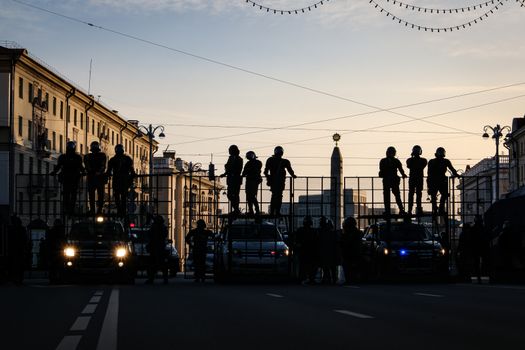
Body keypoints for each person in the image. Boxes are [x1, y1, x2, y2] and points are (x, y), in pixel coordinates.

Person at [50, 141, 85, 216]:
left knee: (67, 194)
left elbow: (58, 166)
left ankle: (68, 209)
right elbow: (80, 167)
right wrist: (84, 172)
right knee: (72, 195)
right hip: (72, 178)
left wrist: (54, 172)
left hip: (68, 178)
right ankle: (70, 209)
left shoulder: (63, 157)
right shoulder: (77, 157)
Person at [264, 146, 297, 216]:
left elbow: (266, 172)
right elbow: (290, 170)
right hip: (280, 182)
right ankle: (276, 211)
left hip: (275, 181)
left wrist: (268, 178)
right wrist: (293, 175)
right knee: (278, 197)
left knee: (274, 196)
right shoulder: (285, 161)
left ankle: (273, 212)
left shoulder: (270, 160)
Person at [427, 147, 459, 216]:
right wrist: (457, 175)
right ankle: (439, 208)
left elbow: (429, 173)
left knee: (435, 195)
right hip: (440, 180)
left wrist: (429, 185)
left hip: (435, 181)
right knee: (442, 194)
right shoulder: (445, 161)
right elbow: (452, 169)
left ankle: (436, 208)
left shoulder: (432, 161)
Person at [106, 144, 135, 217]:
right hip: (123, 180)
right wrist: (132, 177)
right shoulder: (126, 159)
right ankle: (122, 210)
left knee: (119, 196)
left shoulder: (114, 159)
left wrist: (106, 175)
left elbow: (109, 171)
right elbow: (132, 170)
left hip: (119, 180)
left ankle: (120, 210)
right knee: (122, 196)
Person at [379, 146, 407, 215]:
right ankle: (400, 209)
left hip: (390, 180)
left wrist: (403, 174)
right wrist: (403, 174)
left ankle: (394, 210)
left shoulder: (384, 160)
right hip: (391, 180)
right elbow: (400, 169)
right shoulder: (394, 161)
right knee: (395, 196)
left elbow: (400, 169)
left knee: (391, 196)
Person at [84, 141, 107, 214]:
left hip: (95, 177)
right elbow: (87, 166)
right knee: (96, 195)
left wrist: (94, 172)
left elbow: (103, 166)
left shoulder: (88, 156)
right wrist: (97, 172)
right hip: (96, 177)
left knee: (97, 195)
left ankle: (97, 209)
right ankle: (96, 209)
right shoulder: (89, 156)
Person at [294, 216, 319, 284]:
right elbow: (316, 241)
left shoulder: (300, 230)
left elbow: (297, 241)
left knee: (303, 265)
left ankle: (301, 278)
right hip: (311, 251)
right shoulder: (314, 231)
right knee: (311, 265)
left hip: (304, 251)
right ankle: (311, 278)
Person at [146, 215, 169, 284]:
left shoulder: (156, 227)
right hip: (159, 247)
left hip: (156, 247)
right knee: (161, 264)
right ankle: (164, 279)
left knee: (154, 264)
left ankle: (152, 279)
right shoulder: (162, 227)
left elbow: (150, 235)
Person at [7, 215, 29, 285]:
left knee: (15, 265)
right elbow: (25, 240)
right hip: (20, 250)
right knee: (20, 265)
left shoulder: (11, 229)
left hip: (14, 250)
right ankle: (19, 279)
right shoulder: (22, 229)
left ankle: (15, 279)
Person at [221, 145, 243, 215]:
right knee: (230, 195)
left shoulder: (239, 159)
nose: (229, 152)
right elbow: (228, 168)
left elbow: (237, 169)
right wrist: (225, 174)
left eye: (230, 150)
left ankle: (236, 209)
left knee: (235, 195)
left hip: (236, 179)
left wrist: (229, 170)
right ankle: (236, 209)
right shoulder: (230, 158)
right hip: (230, 179)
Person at [406, 145, 427, 216]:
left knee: (412, 194)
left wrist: (412, 157)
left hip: (413, 178)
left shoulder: (410, 160)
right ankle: (418, 209)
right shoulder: (423, 160)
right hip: (418, 179)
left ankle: (410, 210)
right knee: (418, 194)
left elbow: (409, 166)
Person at [341, 217, 363, 284]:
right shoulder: (358, 233)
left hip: (350, 254)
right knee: (353, 267)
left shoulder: (349, 234)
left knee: (348, 267)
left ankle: (350, 279)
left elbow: (346, 244)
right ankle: (354, 279)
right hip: (355, 253)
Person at [318, 216, 338, 285]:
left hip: (325, 251)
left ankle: (328, 279)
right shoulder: (333, 233)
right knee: (331, 266)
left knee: (326, 266)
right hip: (331, 252)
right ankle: (333, 279)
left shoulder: (321, 232)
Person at [242, 151, 262, 215]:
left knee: (252, 196)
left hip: (254, 181)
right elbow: (244, 173)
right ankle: (252, 210)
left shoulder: (257, 163)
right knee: (249, 196)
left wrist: (249, 170)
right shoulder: (250, 163)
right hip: (250, 181)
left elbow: (246, 172)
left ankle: (256, 210)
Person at [46, 218, 66, 284]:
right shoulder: (61, 232)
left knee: (53, 266)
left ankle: (53, 279)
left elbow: (49, 241)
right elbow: (64, 241)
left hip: (54, 251)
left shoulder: (52, 231)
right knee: (59, 266)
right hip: (59, 250)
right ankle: (59, 279)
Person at [471, 215, 489, 284]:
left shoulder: (473, 229)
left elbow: (471, 239)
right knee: (484, 261)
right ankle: (485, 273)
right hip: (483, 247)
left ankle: (478, 276)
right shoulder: (483, 228)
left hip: (476, 248)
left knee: (476, 263)